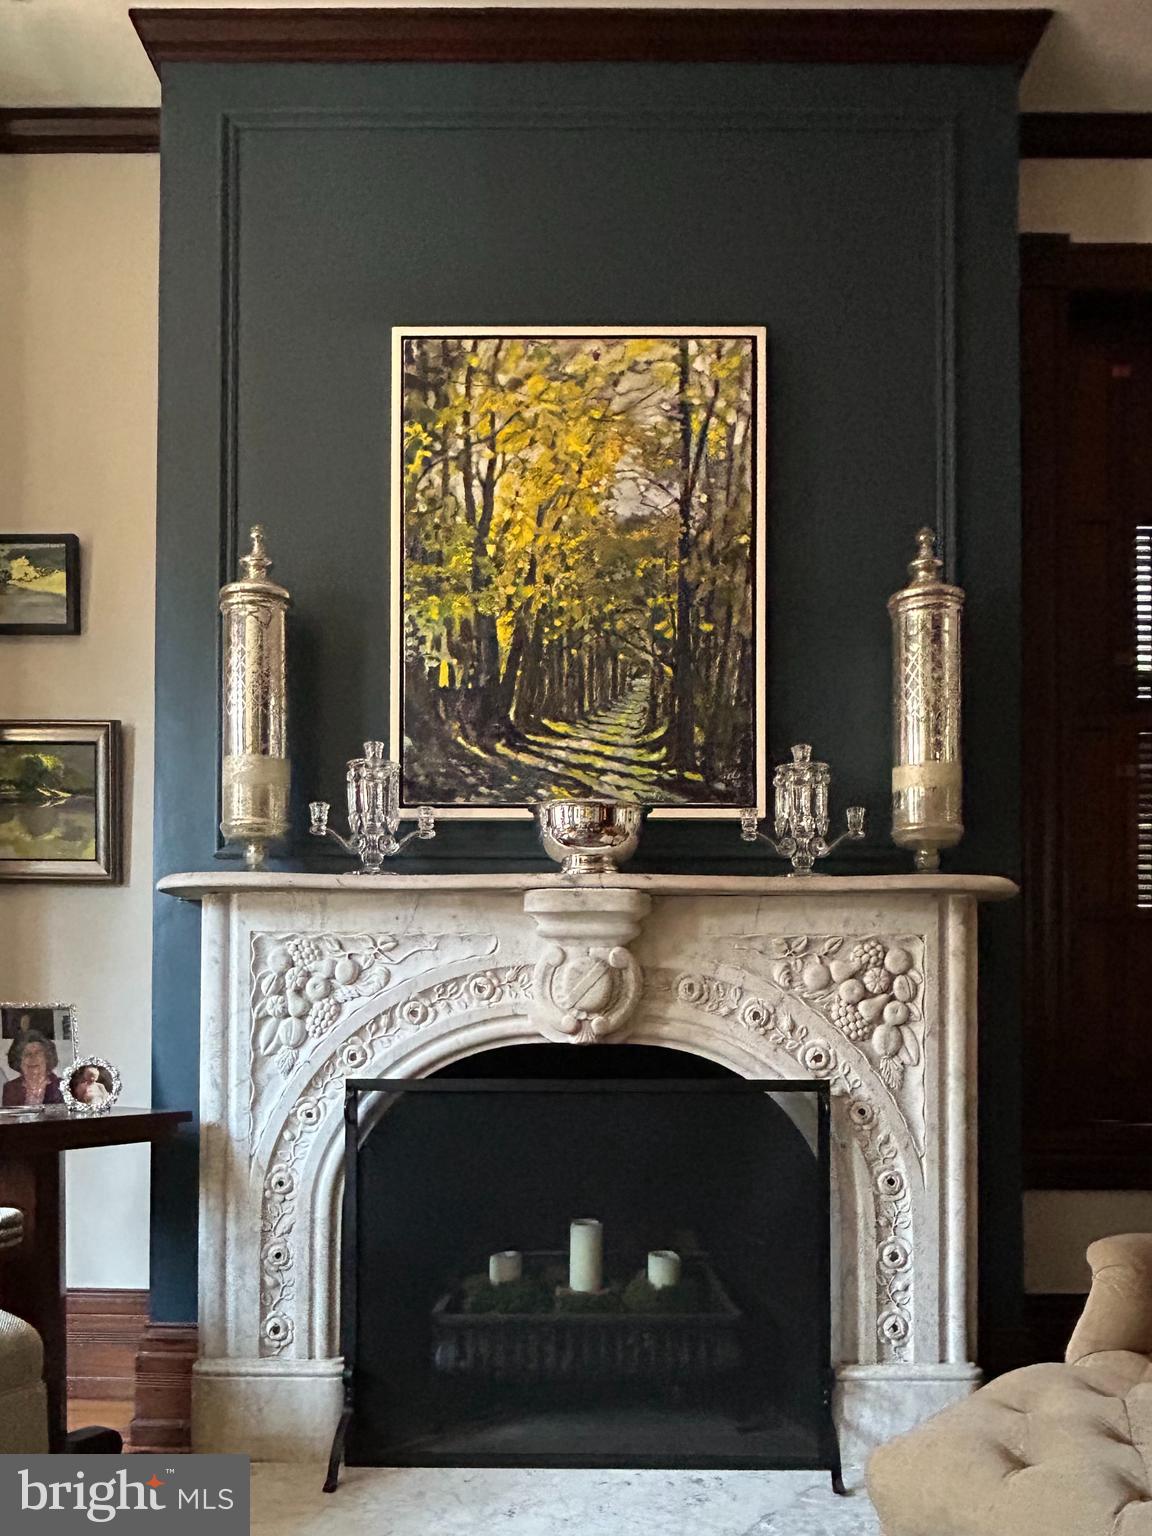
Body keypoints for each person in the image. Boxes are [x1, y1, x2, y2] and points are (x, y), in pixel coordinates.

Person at [2, 1033, 64, 1107]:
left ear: (47, 1058)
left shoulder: (61, 1086)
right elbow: (10, 1117)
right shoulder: (11, 1088)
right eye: (27, 1054)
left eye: (38, 1053)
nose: (33, 1058)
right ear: (19, 1061)